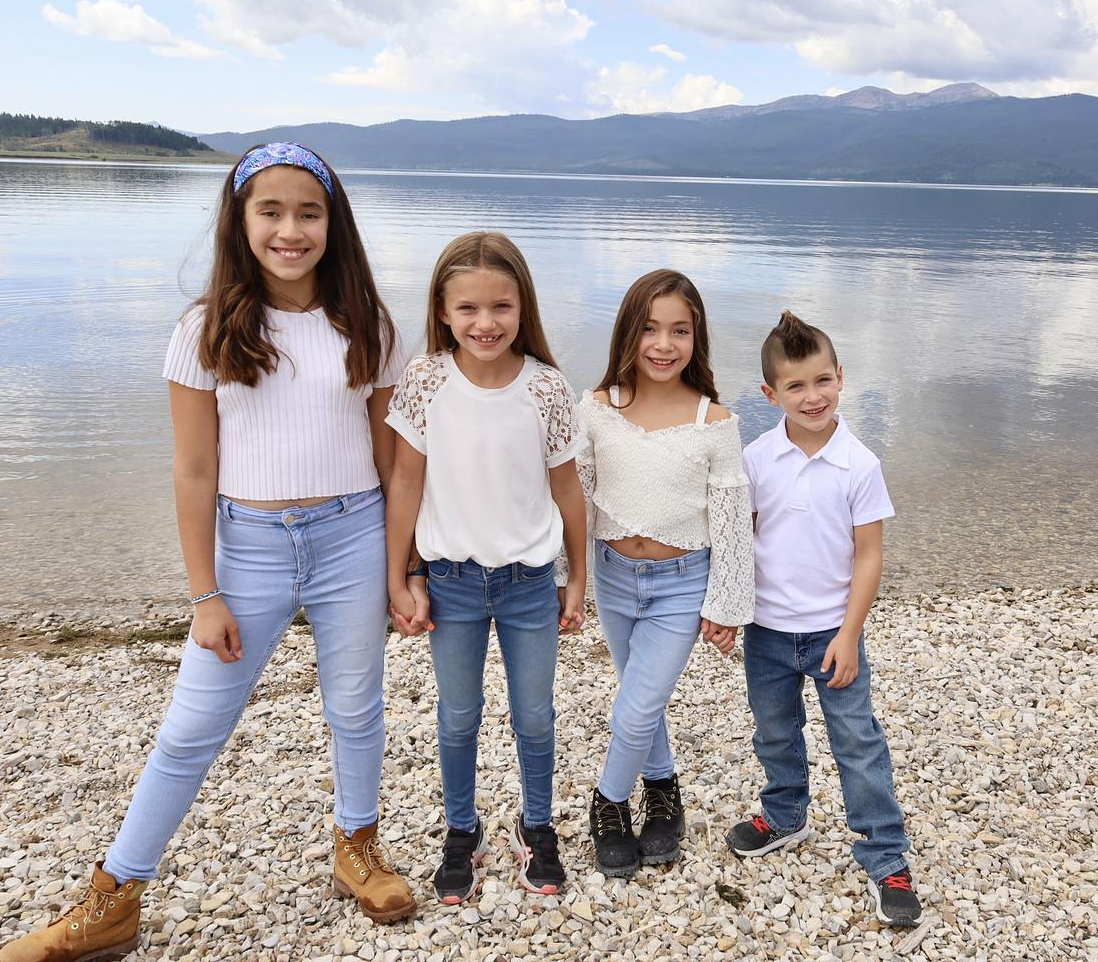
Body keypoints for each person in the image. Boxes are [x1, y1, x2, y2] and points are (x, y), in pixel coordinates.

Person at [0, 143, 415, 962]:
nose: (290, 230)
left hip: (354, 535)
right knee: (192, 727)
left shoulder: (370, 324)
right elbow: (193, 469)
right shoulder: (205, 328)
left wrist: (406, 567)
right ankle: (113, 898)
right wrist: (203, 593)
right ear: (239, 220)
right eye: (271, 211)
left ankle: (357, 847)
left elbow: (393, 462)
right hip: (248, 549)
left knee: (356, 707)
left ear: (333, 223)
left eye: (309, 213)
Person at [383, 231, 586, 905]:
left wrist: (577, 576)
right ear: (443, 312)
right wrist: (398, 576)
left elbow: (567, 488)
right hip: (452, 583)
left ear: (523, 308)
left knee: (535, 716)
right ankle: (461, 830)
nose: (485, 322)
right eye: (467, 308)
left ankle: (537, 826)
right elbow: (405, 482)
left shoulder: (546, 388)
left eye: (501, 306)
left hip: (529, 583)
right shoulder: (425, 380)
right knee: (457, 716)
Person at [726, 310, 922, 927]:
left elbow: (869, 555)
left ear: (841, 376)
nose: (812, 397)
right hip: (766, 630)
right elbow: (740, 542)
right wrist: (726, 610)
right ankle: (785, 814)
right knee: (774, 731)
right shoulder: (755, 458)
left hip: (832, 633)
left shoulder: (859, 464)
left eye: (822, 381)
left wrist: (849, 634)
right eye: (796, 386)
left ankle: (886, 855)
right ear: (770, 393)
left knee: (858, 742)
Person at [577, 269, 754, 877]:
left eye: (680, 330)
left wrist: (727, 604)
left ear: (696, 338)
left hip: (683, 581)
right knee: (638, 693)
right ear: (628, 331)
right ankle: (663, 789)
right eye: (650, 328)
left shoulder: (715, 421)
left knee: (638, 704)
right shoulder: (598, 408)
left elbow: (730, 520)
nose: (663, 344)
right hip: (612, 575)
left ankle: (607, 802)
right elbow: (576, 499)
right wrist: (566, 579)